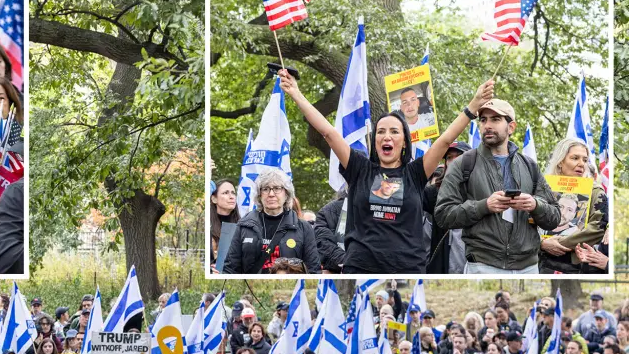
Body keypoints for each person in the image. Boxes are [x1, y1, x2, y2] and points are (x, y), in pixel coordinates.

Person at [280, 69, 493, 273]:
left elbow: (446, 140)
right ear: (375, 141)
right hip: (361, 267)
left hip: (408, 268)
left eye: (394, 131)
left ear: (404, 142)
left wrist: (473, 105)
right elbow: (328, 132)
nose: (387, 136)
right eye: (381, 131)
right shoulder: (359, 169)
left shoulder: (416, 173)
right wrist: (296, 93)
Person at [435, 98, 562, 273]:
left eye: (495, 119)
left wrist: (535, 205)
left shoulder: (530, 166)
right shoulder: (463, 164)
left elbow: (554, 217)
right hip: (482, 265)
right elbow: (443, 215)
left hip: (528, 267)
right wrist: (483, 206)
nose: (487, 125)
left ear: (511, 127)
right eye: (483, 120)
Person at [221, 169, 319, 274]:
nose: (271, 194)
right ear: (259, 195)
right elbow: (231, 268)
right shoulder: (244, 226)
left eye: (277, 188)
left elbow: (313, 270)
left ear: (286, 194)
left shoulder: (303, 228)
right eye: (266, 189)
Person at [539, 139, 608, 273]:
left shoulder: (595, 191)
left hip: (578, 265)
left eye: (585, 160)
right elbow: (528, 225)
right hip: (540, 264)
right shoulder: (543, 188)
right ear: (560, 161)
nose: (581, 164)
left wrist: (558, 243)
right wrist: (541, 244)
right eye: (575, 158)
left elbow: (598, 228)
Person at [209, 178, 240, 266]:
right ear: (214, 199)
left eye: (233, 193)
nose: (231, 196)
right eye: (225, 193)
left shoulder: (243, 227)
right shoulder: (209, 227)